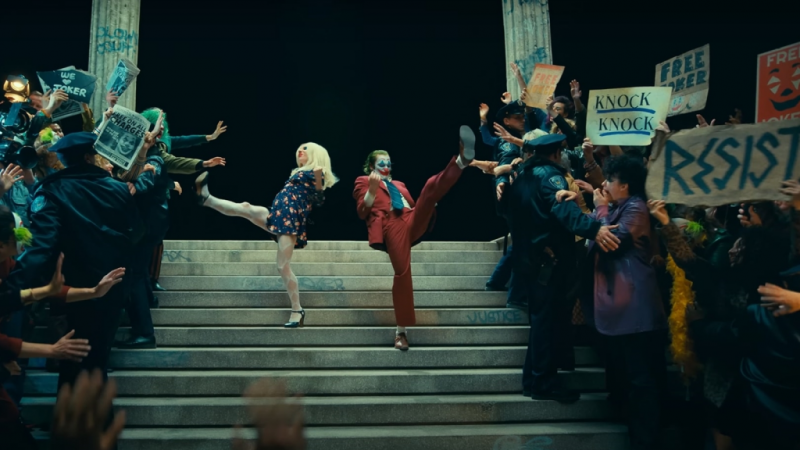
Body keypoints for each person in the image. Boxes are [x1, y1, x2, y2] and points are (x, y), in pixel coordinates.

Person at [4, 131, 142, 393]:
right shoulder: (118, 188)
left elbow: (41, 245)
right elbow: (136, 232)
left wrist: (12, 287)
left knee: (73, 358)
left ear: (63, 159)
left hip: (72, 287)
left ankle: (74, 414)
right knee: (97, 357)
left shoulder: (52, 189)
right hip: (114, 283)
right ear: (91, 157)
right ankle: (89, 414)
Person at [503, 133, 619, 403]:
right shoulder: (551, 176)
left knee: (540, 321)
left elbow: (506, 211)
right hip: (549, 262)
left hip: (529, 260)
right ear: (556, 154)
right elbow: (564, 211)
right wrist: (594, 228)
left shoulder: (522, 177)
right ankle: (544, 383)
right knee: (549, 322)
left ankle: (532, 379)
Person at [353, 126, 475, 350]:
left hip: (411, 217)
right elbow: (362, 211)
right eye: (381, 163)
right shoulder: (363, 181)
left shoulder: (399, 184)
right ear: (371, 167)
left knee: (429, 188)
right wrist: (372, 189)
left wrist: (426, 208)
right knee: (402, 273)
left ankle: (461, 161)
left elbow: (413, 203)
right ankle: (401, 332)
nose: (387, 166)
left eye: (389, 163)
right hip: (392, 224)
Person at [196, 143, 336, 327]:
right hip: (278, 214)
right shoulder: (299, 173)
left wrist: (318, 181)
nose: (300, 151)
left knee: (282, 266)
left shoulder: (316, 172)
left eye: (306, 149)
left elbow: (318, 199)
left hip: (289, 221)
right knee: (246, 208)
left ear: (317, 154)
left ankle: (297, 310)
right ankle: (207, 199)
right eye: (300, 149)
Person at [589, 155, 667, 450]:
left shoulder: (636, 207)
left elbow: (612, 242)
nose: (605, 185)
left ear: (624, 185)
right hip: (620, 307)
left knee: (641, 379)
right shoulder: (619, 207)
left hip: (635, 308)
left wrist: (600, 209)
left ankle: (646, 440)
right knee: (631, 377)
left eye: (610, 180)